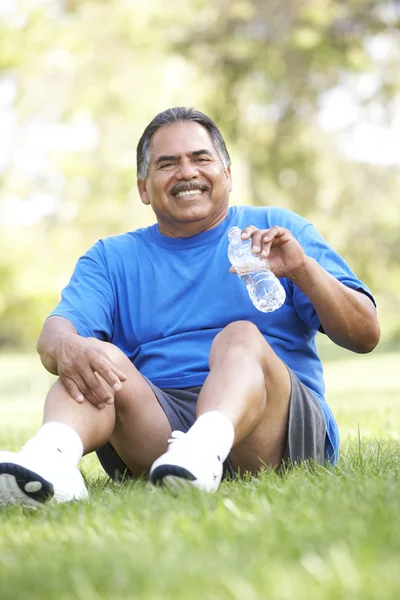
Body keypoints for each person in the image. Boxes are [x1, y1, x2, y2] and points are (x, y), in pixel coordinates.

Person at [0, 107, 380, 507]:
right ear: (144, 188)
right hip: (163, 435)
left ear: (228, 175)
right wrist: (72, 348)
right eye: (168, 164)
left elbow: (365, 334)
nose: (187, 172)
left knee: (239, 336)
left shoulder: (278, 229)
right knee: (91, 356)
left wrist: (303, 270)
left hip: (274, 428)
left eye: (200, 158)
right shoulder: (111, 258)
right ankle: (50, 464)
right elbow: (54, 336)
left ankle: (205, 445)